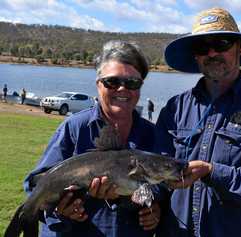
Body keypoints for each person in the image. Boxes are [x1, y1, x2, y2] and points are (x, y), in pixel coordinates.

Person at [155, 7, 241, 237]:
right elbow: (154, 176)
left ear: (240, 49)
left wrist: (211, 172)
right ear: (195, 56)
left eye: (222, 43)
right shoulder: (174, 108)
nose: (211, 53)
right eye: (202, 47)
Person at [24, 40, 161, 237]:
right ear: (98, 85)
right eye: (112, 82)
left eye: (132, 82)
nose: (122, 89)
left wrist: (155, 207)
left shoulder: (153, 134)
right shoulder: (74, 128)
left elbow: (165, 184)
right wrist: (63, 210)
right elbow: (36, 185)